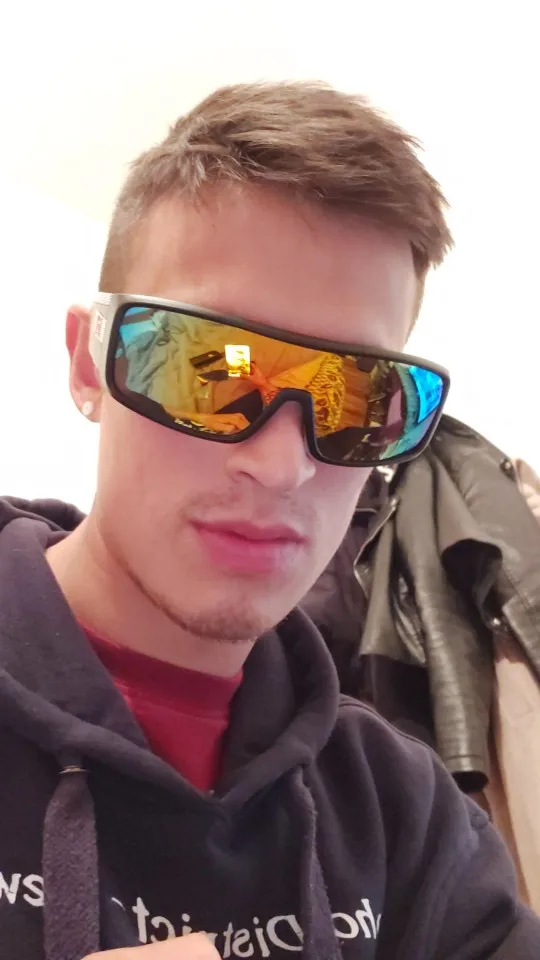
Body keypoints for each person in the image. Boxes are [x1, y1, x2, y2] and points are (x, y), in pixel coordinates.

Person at [0, 82, 538, 960]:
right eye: (212, 370)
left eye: (356, 399)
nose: (283, 466)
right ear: (89, 368)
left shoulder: (405, 815)